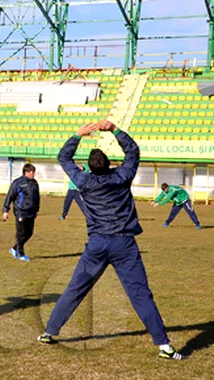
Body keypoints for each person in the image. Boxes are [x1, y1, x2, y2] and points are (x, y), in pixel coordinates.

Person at [39, 121, 186, 360]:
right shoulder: (122, 176)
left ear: (88, 167)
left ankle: (49, 332)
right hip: (124, 244)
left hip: (97, 243)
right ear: (109, 164)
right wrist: (115, 130)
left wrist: (78, 135)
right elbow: (133, 151)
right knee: (140, 294)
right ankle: (164, 346)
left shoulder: (84, 181)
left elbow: (64, 158)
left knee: (75, 288)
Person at [3, 163, 39, 262]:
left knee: (29, 233)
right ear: (26, 172)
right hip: (20, 212)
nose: (34, 174)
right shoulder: (18, 183)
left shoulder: (35, 183)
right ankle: (21, 253)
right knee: (21, 233)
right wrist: (6, 210)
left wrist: (36, 210)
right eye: (32, 172)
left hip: (31, 212)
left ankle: (14, 248)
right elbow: (9, 196)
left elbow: (37, 197)